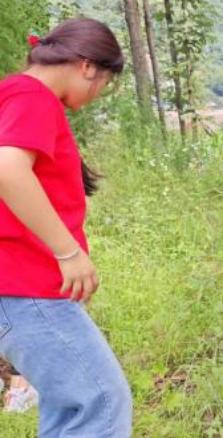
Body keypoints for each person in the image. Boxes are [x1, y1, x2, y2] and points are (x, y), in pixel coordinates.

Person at [0, 18, 132, 437]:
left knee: (67, 407)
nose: (97, 95)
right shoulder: (33, 96)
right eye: (104, 83)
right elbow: (7, 169)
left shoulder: (14, 93)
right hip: (25, 285)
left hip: (20, 287)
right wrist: (68, 253)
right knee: (101, 401)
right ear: (87, 66)